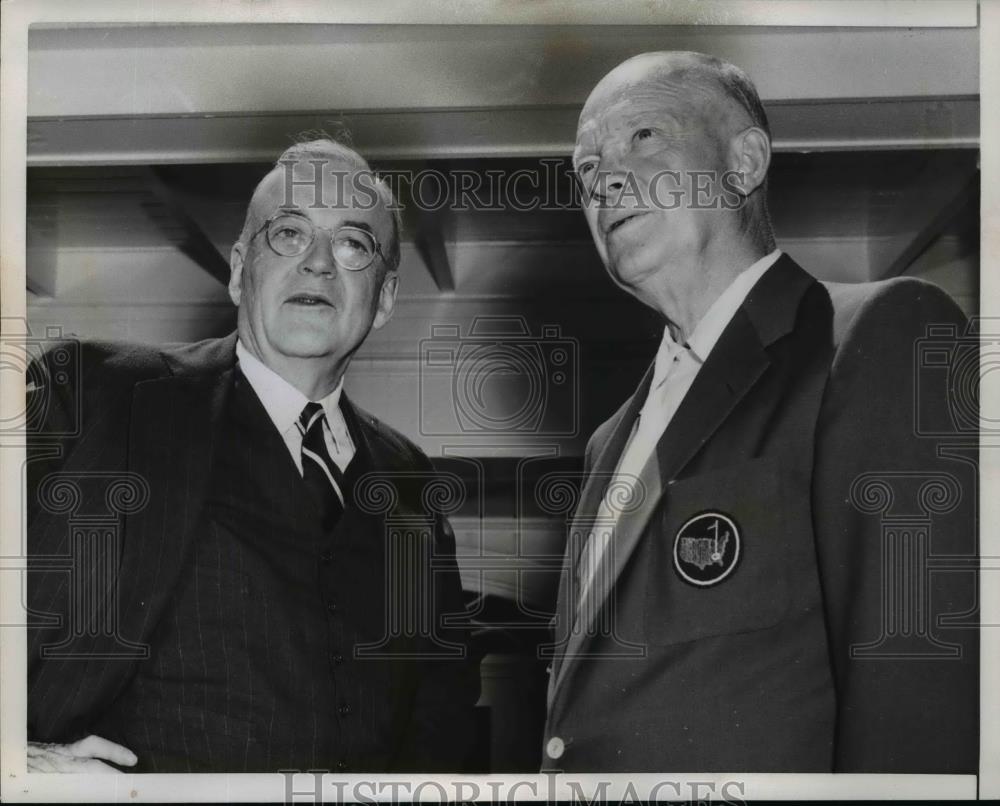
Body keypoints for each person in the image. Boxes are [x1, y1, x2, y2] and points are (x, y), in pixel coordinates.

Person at [541, 52, 977, 773]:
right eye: (587, 170)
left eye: (644, 137)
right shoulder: (607, 440)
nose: (606, 179)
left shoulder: (878, 335)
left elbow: (918, 689)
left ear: (743, 164)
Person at [25, 138, 480, 773]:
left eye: (353, 244)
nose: (319, 262)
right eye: (289, 234)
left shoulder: (409, 479)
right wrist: (25, 763)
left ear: (384, 299)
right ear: (240, 269)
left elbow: (445, 718)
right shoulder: (97, 396)